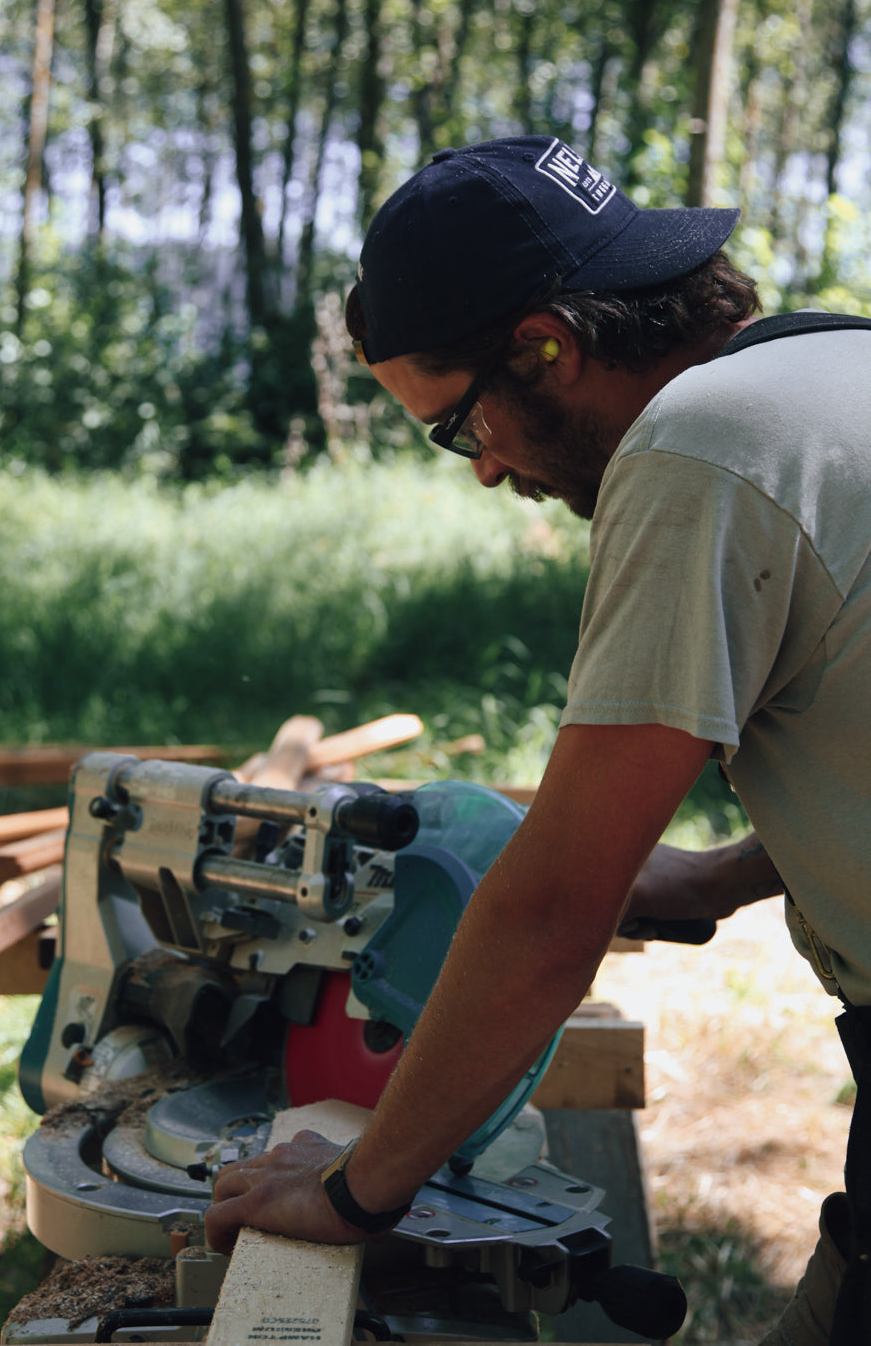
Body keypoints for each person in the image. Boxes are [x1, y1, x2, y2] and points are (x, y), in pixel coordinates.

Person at [204, 135, 871, 1345]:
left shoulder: (699, 448)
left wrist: (357, 1189)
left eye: (460, 428)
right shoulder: (838, 373)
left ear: (545, 346)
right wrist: (724, 874)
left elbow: (553, 907)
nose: (486, 473)